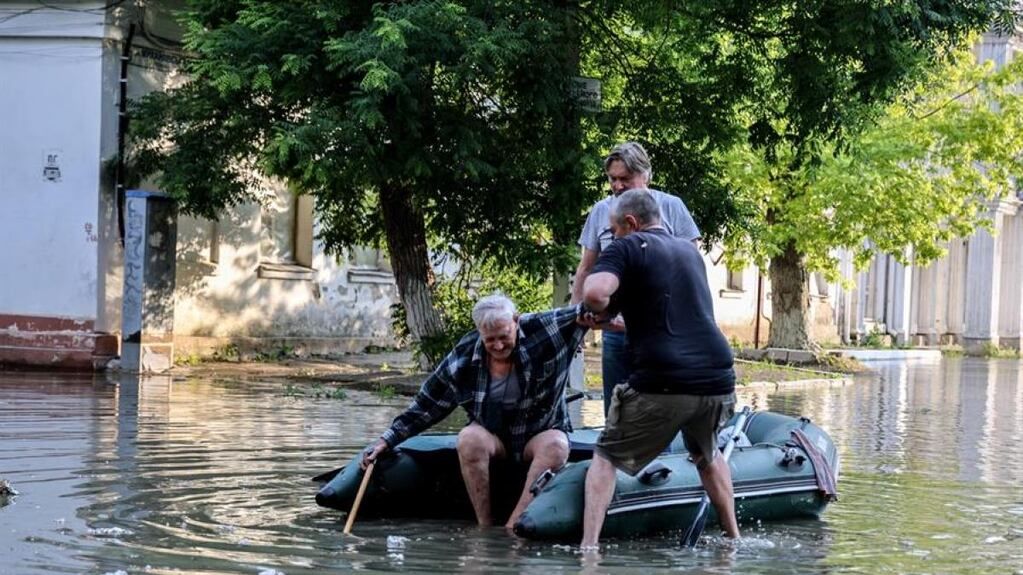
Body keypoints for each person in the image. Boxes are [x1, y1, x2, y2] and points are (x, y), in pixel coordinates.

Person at [577, 189, 738, 548]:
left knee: (605, 455)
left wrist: (592, 300)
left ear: (631, 223)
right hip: (717, 379)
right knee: (706, 455)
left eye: (615, 230)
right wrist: (616, 319)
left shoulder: (628, 246)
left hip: (664, 381)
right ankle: (734, 539)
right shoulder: (689, 252)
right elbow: (669, 315)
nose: (614, 236)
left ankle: (588, 552)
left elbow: (596, 293)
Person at [360, 294, 588, 529]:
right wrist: (386, 440)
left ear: (516, 321)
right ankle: (484, 527)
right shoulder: (463, 357)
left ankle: (514, 527)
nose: (498, 346)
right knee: (468, 438)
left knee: (557, 445)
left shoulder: (544, 328)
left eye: (504, 336)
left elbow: (589, 309)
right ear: (479, 332)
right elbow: (426, 405)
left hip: (539, 432)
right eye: (490, 340)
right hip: (493, 437)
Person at [572, 141, 701, 415]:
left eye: (625, 179)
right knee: (616, 409)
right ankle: (615, 454)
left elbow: (690, 269)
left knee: (658, 409)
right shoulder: (600, 211)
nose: (617, 186)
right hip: (615, 331)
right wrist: (576, 321)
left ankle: (661, 456)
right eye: (612, 179)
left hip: (661, 331)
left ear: (646, 175)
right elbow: (586, 269)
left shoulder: (672, 207)